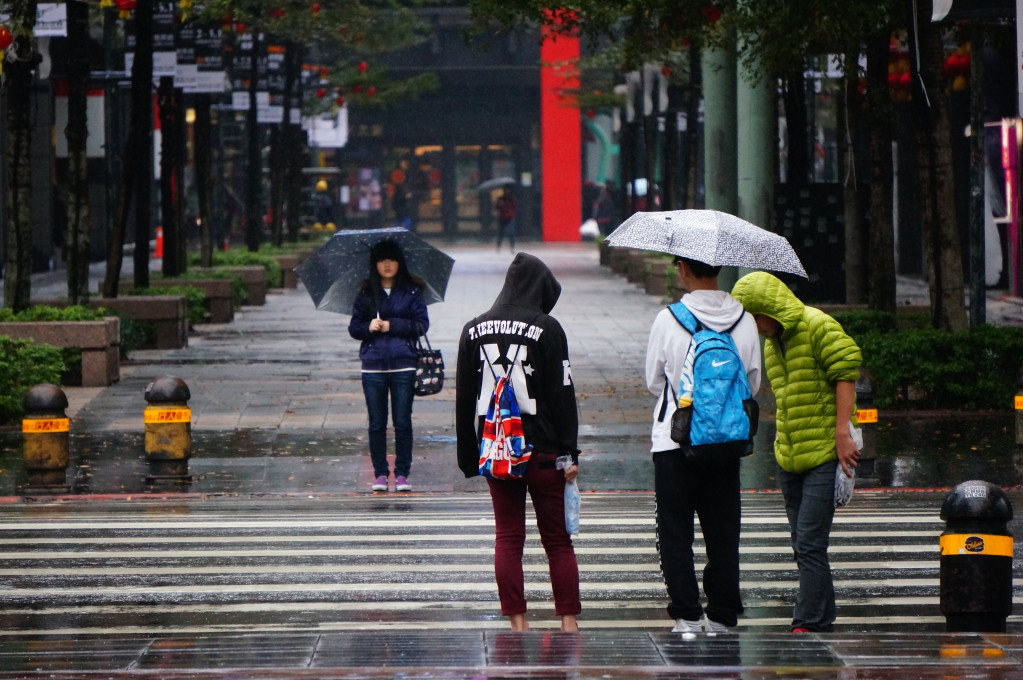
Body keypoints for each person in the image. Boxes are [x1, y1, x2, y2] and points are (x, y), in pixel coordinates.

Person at [455, 253, 581, 632]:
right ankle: (568, 622)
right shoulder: (548, 328)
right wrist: (569, 451)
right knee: (558, 542)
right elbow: (563, 394)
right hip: (544, 452)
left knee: (507, 538)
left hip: (497, 452)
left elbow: (464, 398)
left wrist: (469, 455)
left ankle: (517, 621)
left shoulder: (472, 329)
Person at [730, 271, 862, 633]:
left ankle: (805, 621)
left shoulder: (816, 324)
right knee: (802, 543)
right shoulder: (774, 343)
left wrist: (841, 432)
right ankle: (823, 616)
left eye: (754, 317)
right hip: (789, 456)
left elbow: (846, 368)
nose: (754, 327)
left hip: (822, 453)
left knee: (809, 541)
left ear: (769, 308)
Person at [644, 256, 762, 635]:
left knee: (675, 531)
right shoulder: (744, 320)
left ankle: (687, 615)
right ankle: (723, 614)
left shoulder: (669, 318)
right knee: (723, 532)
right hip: (727, 443)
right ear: (719, 269)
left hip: (674, 441)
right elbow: (753, 383)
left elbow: (653, 380)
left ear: (683, 269)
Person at [348, 240, 430, 493]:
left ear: (399, 263)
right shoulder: (365, 293)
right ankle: (381, 473)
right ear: (375, 264)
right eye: (382, 259)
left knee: (403, 422)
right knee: (376, 423)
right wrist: (368, 328)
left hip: (403, 365)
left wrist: (391, 325)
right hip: (372, 367)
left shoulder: (412, 292)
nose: (387, 264)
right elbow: (354, 328)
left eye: (392, 259)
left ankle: (403, 473)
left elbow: (421, 325)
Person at [494, 187, 517, 252]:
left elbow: (515, 208)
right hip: (502, 218)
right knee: (501, 233)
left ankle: (512, 247)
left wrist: (511, 214)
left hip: (510, 218)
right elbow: (496, 208)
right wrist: (499, 204)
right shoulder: (500, 199)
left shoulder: (512, 199)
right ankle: (498, 246)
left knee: (511, 232)